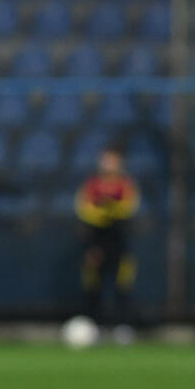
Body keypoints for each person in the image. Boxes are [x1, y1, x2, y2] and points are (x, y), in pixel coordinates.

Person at [75, 144, 140, 336]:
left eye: (113, 161)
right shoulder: (91, 185)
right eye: (106, 160)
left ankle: (122, 326)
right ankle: (95, 325)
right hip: (96, 240)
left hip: (119, 241)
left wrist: (107, 210)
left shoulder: (126, 185)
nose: (109, 164)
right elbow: (85, 210)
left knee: (123, 283)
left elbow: (128, 208)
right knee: (93, 282)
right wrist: (105, 212)